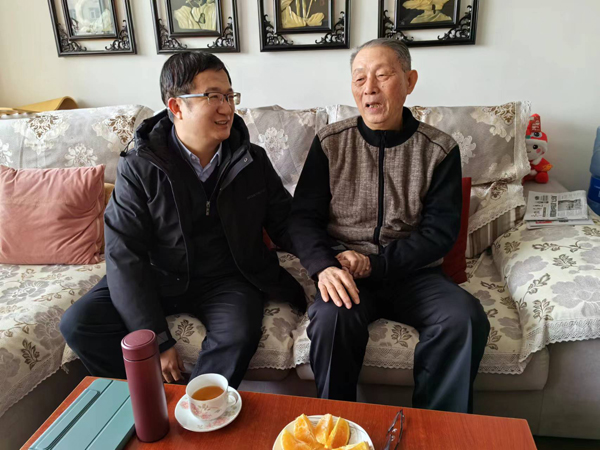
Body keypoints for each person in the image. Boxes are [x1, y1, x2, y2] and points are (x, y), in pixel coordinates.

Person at [60, 51, 304, 388]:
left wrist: (325, 258)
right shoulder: (140, 166)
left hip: (228, 277)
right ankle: (149, 398)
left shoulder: (251, 160)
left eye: (230, 96)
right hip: (159, 275)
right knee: (78, 322)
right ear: (176, 107)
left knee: (237, 335)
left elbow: (286, 222)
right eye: (213, 96)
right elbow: (124, 254)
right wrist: (156, 340)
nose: (227, 108)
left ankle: (196, 409)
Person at [289, 38, 490, 413]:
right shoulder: (330, 143)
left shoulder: (439, 149)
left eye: (382, 75)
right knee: (332, 320)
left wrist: (377, 264)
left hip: (415, 274)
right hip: (346, 271)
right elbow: (302, 218)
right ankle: (338, 425)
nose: (369, 88)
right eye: (359, 78)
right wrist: (325, 265)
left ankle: (434, 429)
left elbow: (439, 232)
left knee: (463, 318)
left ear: (409, 81)